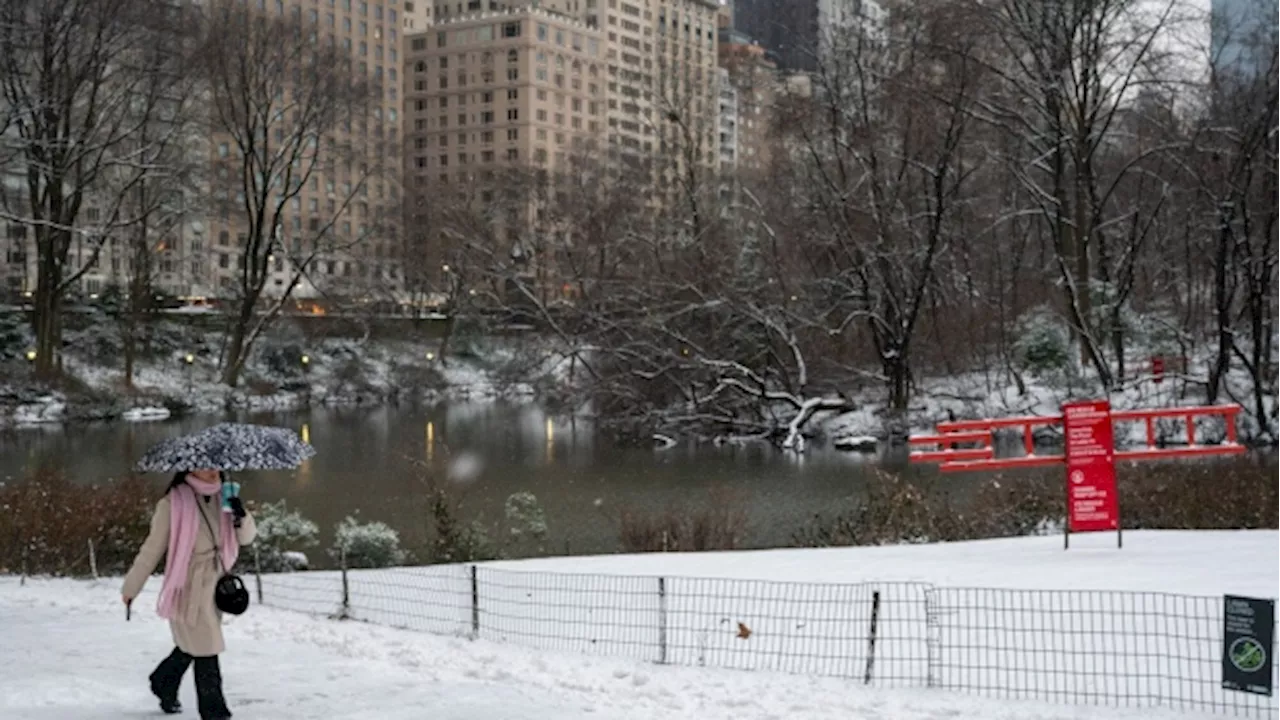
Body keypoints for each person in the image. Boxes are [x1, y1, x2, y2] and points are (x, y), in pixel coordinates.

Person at [122, 469, 257, 719]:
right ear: (188, 467)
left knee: (193, 643)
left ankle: (163, 681)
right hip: (187, 583)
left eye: (214, 464)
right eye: (203, 464)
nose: (210, 469)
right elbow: (152, 549)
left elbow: (246, 539)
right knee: (206, 646)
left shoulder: (225, 496)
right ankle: (214, 711)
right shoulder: (172, 503)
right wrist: (131, 587)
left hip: (216, 582)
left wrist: (241, 514)